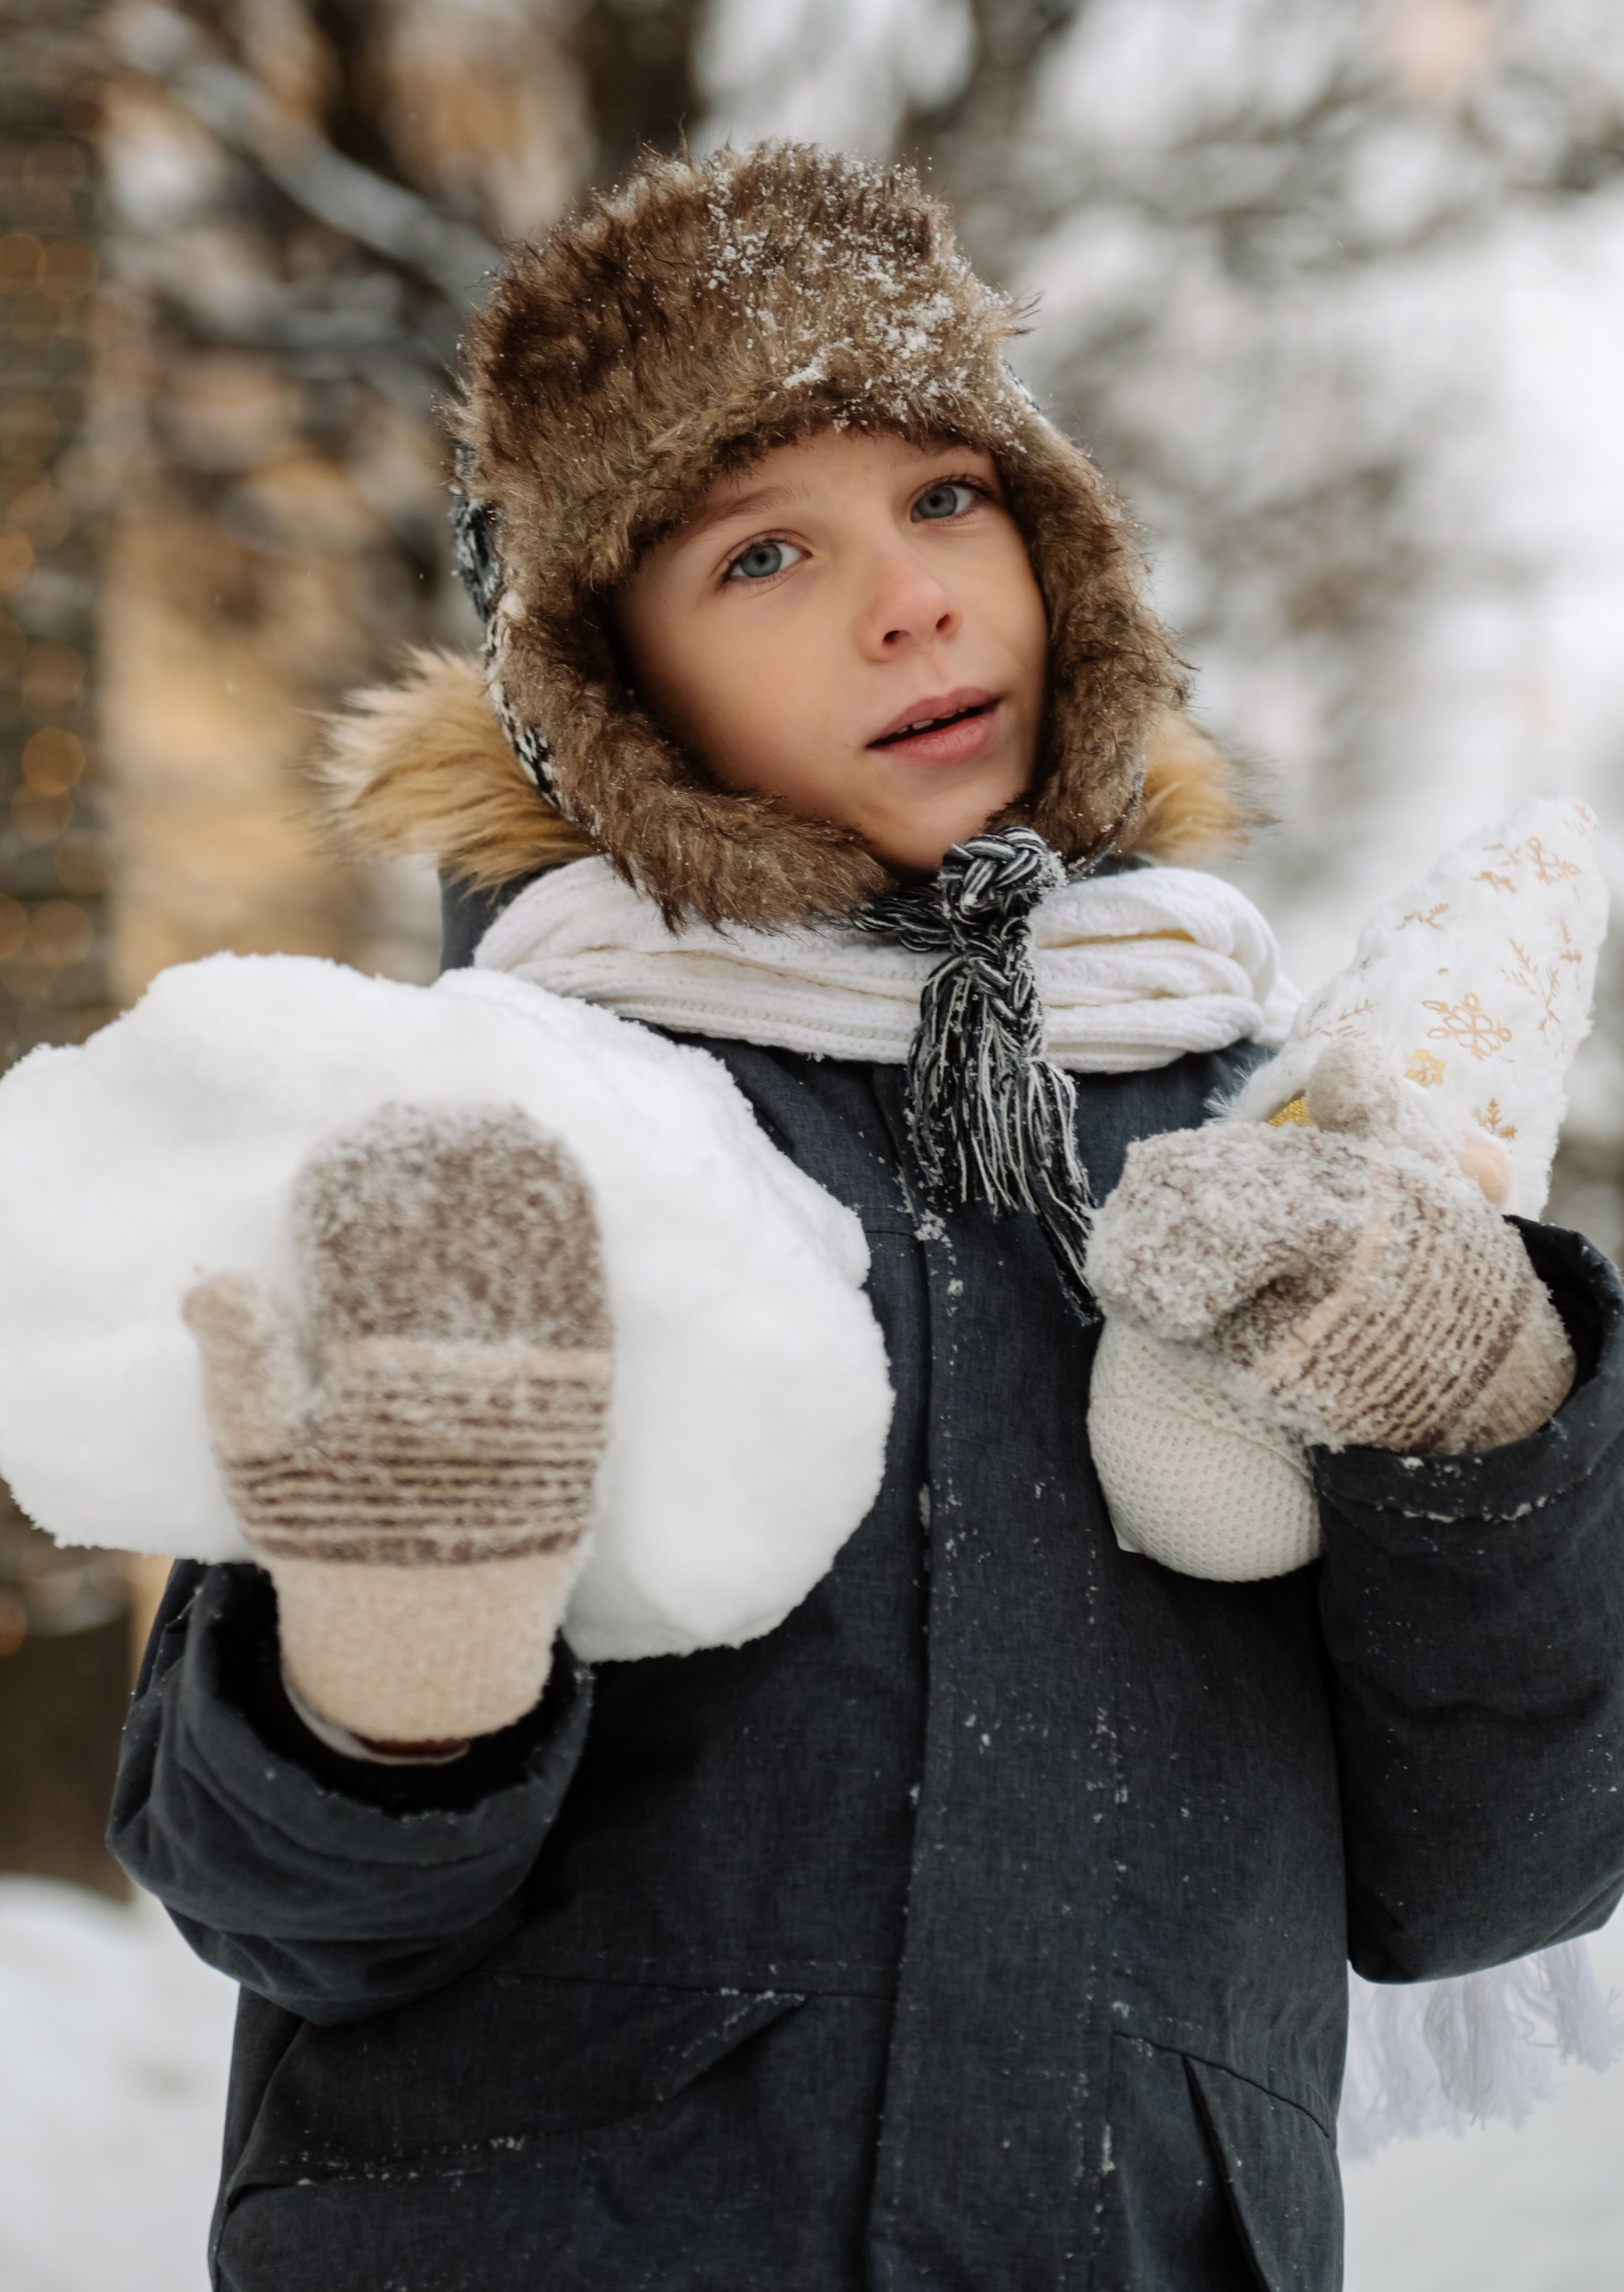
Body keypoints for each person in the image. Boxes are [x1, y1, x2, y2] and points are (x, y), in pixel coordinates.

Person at [110, 143, 1624, 2291]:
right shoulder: (507, 1128)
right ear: (608, 689)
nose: (906, 597)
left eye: (945, 495)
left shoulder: (1249, 1139)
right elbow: (280, 1909)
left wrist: (1483, 1408)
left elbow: (1491, 1876)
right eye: (761, 557)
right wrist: (391, 1666)